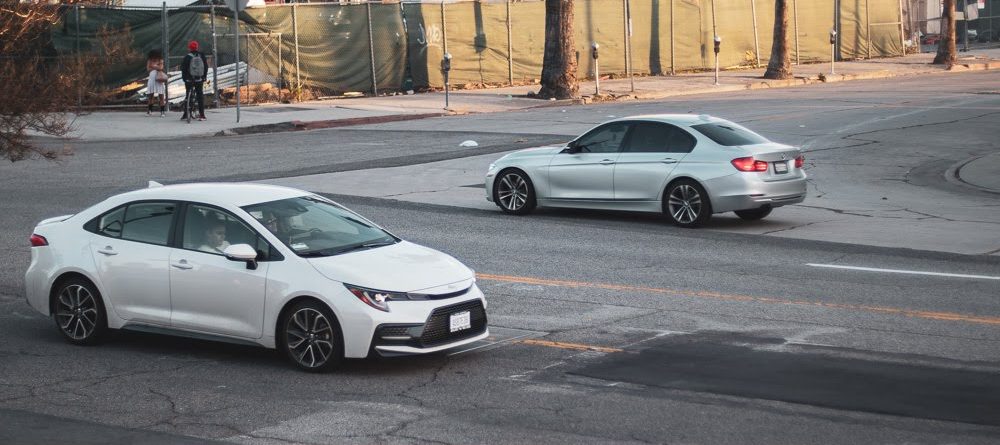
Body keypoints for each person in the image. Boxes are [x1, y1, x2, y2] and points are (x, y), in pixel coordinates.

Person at [181, 40, 208, 121]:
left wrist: (184, 79)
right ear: (197, 47)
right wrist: (204, 77)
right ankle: (202, 115)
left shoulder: (187, 57)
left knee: (188, 95)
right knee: (200, 96)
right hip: (199, 79)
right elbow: (205, 67)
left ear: (189, 48)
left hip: (189, 79)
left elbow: (183, 69)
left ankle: (186, 114)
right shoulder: (201, 55)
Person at [145, 49, 166, 117]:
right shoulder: (149, 60)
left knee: (161, 96)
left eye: (156, 56)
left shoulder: (160, 60)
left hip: (159, 79)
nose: (154, 57)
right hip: (151, 79)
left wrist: (153, 66)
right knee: (151, 96)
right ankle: (150, 111)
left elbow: (161, 68)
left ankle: (162, 112)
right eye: (153, 56)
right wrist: (157, 67)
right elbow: (148, 69)